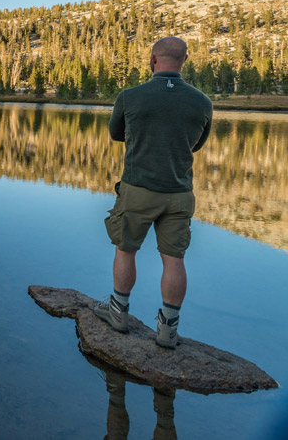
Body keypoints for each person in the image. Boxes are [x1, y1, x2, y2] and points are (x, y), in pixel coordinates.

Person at [94, 36, 213, 349]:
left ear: (153, 59)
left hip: (138, 189)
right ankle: (168, 330)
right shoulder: (202, 101)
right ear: (184, 61)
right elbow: (196, 144)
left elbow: (116, 133)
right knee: (174, 259)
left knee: (125, 248)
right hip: (179, 192)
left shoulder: (131, 96)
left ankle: (118, 312)